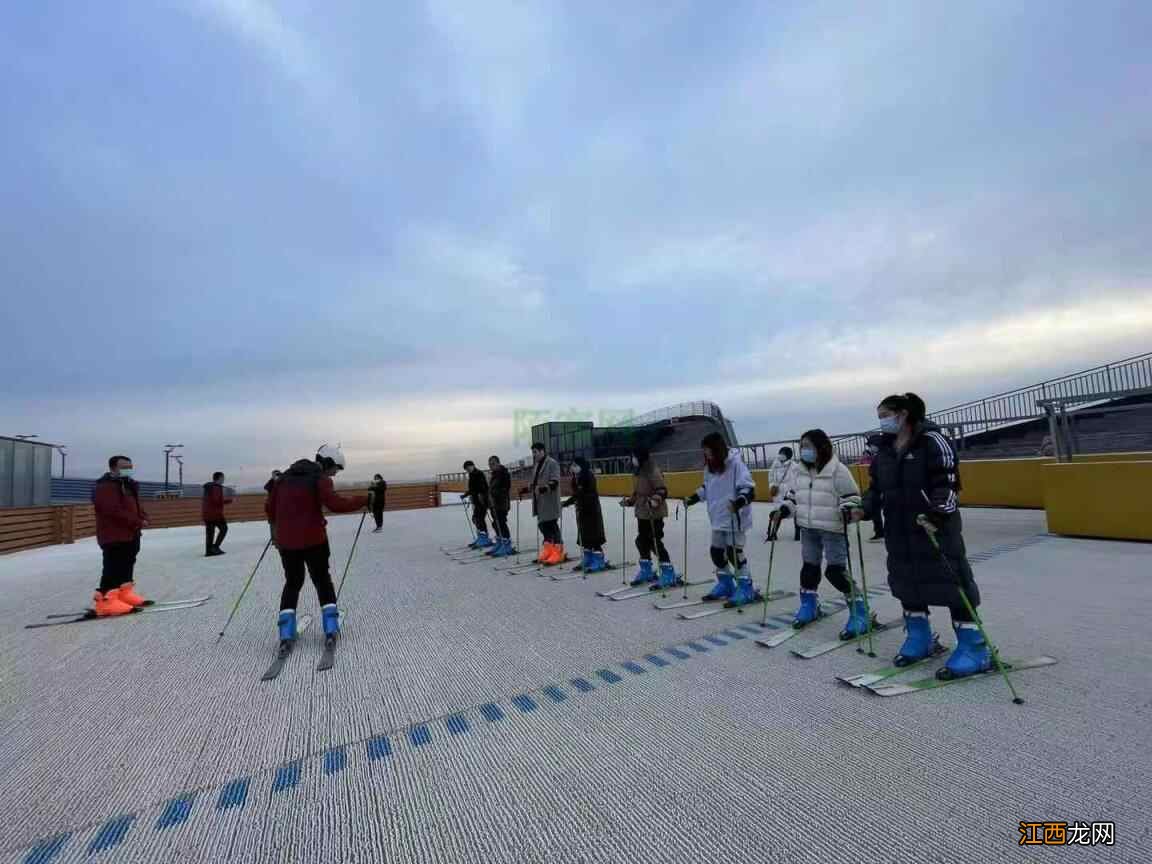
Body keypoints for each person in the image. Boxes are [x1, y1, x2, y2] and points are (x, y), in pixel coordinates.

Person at [863, 393, 990, 679]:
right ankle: (919, 637)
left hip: (932, 528)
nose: (882, 421)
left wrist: (936, 514)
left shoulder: (932, 441)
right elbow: (875, 487)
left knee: (951, 582)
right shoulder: (884, 449)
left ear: (904, 413)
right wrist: (863, 508)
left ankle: (974, 647)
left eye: (886, 414)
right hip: (898, 528)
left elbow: (948, 482)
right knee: (906, 581)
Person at [266, 445, 369, 646]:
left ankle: (286, 632)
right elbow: (336, 504)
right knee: (322, 580)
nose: (335, 473)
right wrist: (365, 499)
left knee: (293, 583)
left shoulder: (282, 480)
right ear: (328, 462)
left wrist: (277, 532)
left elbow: (270, 509)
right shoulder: (320, 480)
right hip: (314, 540)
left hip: (287, 543)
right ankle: (330, 627)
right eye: (336, 469)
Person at [776, 429, 871, 636]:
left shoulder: (837, 470)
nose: (804, 451)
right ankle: (809, 606)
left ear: (821, 447)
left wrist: (849, 508)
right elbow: (793, 497)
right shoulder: (798, 471)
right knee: (809, 569)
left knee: (835, 572)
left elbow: (852, 496)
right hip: (808, 528)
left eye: (808, 446)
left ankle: (860, 611)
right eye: (802, 447)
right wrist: (784, 509)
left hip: (833, 529)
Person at [684, 432, 760, 607]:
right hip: (718, 517)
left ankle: (745, 587)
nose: (707, 455)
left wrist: (739, 502)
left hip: (735, 516)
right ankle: (726, 584)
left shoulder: (736, 465)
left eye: (709, 451)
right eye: (705, 452)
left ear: (717, 449)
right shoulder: (710, 467)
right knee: (716, 552)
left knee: (734, 553)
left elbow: (748, 488)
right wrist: (693, 498)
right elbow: (706, 487)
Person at [91, 455, 150, 616]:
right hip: (114, 534)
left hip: (130, 533)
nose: (128, 470)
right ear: (113, 468)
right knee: (113, 566)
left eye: (130, 467)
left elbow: (136, 505)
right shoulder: (106, 486)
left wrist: (143, 516)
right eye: (124, 467)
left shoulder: (128, 484)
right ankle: (105, 601)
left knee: (128, 562)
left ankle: (124, 594)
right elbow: (112, 511)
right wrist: (137, 521)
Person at [621, 446, 678, 588]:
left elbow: (663, 490)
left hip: (654, 513)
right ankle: (646, 569)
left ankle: (668, 572)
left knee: (654, 542)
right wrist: (629, 502)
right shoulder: (637, 472)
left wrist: (654, 500)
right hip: (642, 512)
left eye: (634, 456)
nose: (632, 459)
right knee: (641, 541)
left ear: (641, 457)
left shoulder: (653, 470)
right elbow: (637, 492)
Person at [563, 456, 609, 572]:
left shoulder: (588, 476)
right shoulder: (576, 478)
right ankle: (588, 557)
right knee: (584, 535)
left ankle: (599, 559)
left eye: (575, 465)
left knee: (593, 535)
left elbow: (582, 493)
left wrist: (568, 502)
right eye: (572, 465)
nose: (573, 468)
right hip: (581, 509)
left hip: (591, 509)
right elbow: (577, 494)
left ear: (581, 466)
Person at [526, 442, 564, 564]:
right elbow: (534, 482)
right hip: (540, 500)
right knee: (542, 525)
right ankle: (549, 549)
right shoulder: (537, 465)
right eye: (533, 452)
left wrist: (545, 488)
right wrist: (527, 488)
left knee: (552, 524)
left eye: (535, 452)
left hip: (549, 500)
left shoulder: (552, 463)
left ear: (542, 451)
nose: (534, 455)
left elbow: (555, 481)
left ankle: (558, 550)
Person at [766, 446, 802, 541]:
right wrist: (772, 487)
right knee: (777, 513)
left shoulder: (795, 467)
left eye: (783, 453)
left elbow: (798, 481)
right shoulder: (775, 465)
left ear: (788, 455)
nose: (781, 455)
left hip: (790, 496)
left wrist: (792, 493)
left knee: (795, 513)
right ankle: (773, 533)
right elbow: (771, 478)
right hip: (778, 495)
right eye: (780, 452)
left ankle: (797, 533)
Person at [486, 456, 514, 557]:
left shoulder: (504, 473)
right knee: (495, 523)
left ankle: (506, 544)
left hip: (502, 503)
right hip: (493, 504)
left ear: (498, 463)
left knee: (501, 522)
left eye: (493, 464)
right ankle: (500, 541)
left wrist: (494, 494)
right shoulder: (494, 475)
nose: (491, 466)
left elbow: (505, 488)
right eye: (489, 464)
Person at [461, 461, 492, 549]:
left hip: (481, 500)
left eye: (468, 468)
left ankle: (484, 538)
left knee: (479, 518)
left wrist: (480, 495)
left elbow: (483, 487)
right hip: (476, 500)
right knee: (476, 518)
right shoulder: (472, 475)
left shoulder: (479, 474)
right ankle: (481, 537)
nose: (468, 470)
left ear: (473, 466)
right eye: (466, 469)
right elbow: (472, 489)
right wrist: (465, 495)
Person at [202, 471, 233, 556]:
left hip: (206, 513)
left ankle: (209, 551)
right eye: (223, 478)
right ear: (219, 478)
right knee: (224, 529)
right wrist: (228, 501)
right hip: (215, 514)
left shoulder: (208, 487)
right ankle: (215, 547)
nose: (224, 479)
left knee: (210, 533)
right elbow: (216, 501)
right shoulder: (216, 487)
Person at [861, 434, 885, 541]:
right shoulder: (877, 456)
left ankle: (882, 532)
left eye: (871, 445)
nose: (870, 447)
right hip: (876, 488)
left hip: (881, 489)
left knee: (883, 512)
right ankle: (879, 532)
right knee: (875, 512)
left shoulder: (883, 457)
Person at [264, 470, 282, 546]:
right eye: (275, 475)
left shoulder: (282, 483)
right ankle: (274, 540)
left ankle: (280, 538)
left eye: (278, 474)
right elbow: (266, 487)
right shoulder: (270, 484)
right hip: (271, 506)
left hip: (280, 506)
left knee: (279, 523)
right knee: (273, 523)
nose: (276, 476)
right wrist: (272, 480)